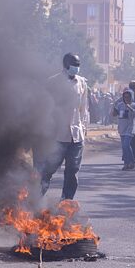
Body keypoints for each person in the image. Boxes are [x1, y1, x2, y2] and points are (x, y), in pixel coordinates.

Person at [36, 53, 89, 201]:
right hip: (58, 135)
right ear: (66, 65)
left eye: (78, 65)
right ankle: (34, 199)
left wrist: (84, 128)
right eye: (74, 65)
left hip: (76, 135)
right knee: (48, 170)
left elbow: (84, 109)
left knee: (72, 171)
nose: (77, 68)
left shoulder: (82, 83)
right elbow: (44, 106)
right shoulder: (53, 82)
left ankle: (67, 202)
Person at [113, 89, 135, 170]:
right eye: (125, 97)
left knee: (126, 145)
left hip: (130, 128)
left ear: (131, 97)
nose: (126, 99)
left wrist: (129, 107)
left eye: (128, 97)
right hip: (122, 127)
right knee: (124, 147)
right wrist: (113, 107)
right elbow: (114, 114)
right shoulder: (120, 105)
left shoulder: (134, 105)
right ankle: (126, 163)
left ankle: (132, 161)